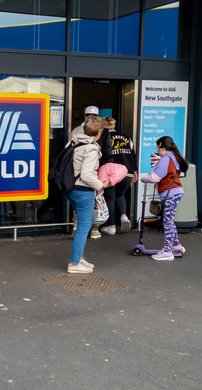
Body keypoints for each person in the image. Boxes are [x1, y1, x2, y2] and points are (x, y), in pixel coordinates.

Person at [66, 115, 111, 274]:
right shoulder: (91, 149)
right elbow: (86, 175)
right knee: (84, 226)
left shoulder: (74, 142)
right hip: (83, 191)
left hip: (71, 188)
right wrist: (101, 185)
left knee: (83, 224)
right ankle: (74, 263)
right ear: (99, 133)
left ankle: (79, 257)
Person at [141, 136, 189, 261]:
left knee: (167, 222)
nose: (157, 150)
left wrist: (144, 178)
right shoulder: (174, 158)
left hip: (170, 193)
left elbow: (155, 177)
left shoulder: (166, 159)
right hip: (175, 192)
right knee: (169, 221)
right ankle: (176, 245)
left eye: (157, 147)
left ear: (162, 148)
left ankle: (167, 251)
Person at [71, 106, 111, 238]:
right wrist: (102, 180)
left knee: (80, 205)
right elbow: (107, 152)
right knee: (96, 200)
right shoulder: (101, 133)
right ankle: (94, 228)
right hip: (93, 173)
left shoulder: (76, 130)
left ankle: (76, 225)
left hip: (75, 176)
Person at [100, 117, 138, 235]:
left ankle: (112, 226)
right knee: (120, 195)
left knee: (110, 197)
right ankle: (123, 217)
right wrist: (135, 171)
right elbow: (133, 155)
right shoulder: (127, 138)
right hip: (127, 173)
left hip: (111, 173)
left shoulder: (103, 138)